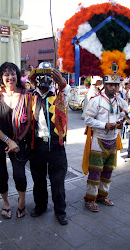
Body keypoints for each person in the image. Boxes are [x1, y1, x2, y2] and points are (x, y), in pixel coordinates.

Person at [0, 62, 31, 219]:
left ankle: (22, 202)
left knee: (20, 174)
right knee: (1, 174)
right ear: (1, 77)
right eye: (6, 74)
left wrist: (17, 140)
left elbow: (29, 122)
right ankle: (6, 203)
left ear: (17, 75)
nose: (10, 77)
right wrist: (8, 141)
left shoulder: (25, 94)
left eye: (13, 73)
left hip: (18, 140)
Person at [29, 63, 71, 225]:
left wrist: (62, 83)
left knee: (58, 181)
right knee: (38, 180)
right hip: (37, 146)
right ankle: (40, 206)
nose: (45, 79)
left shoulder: (60, 95)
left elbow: (70, 96)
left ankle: (60, 211)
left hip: (56, 146)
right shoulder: (30, 96)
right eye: (41, 75)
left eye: (49, 75)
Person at [82, 74, 128, 212]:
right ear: (105, 85)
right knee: (95, 172)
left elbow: (123, 116)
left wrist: (121, 124)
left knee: (108, 171)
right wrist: (104, 125)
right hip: (98, 140)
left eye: (116, 85)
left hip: (113, 140)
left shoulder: (120, 101)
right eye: (110, 85)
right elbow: (87, 120)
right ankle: (90, 199)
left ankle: (102, 196)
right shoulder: (96, 101)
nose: (113, 88)